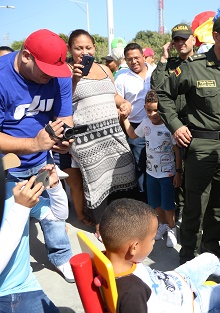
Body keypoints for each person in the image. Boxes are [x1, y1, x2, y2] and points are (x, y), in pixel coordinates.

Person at [157, 12, 220, 264]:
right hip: (201, 146)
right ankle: (188, 255)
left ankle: (211, 246)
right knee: (196, 204)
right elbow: (163, 96)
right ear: (216, 36)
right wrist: (176, 125)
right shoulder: (192, 67)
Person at [0, 29, 75, 283]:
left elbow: (64, 118)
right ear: (25, 56)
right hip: (8, 165)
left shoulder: (59, 74)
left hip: (43, 159)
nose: (51, 77)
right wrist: (33, 143)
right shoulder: (1, 77)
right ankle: (14, 277)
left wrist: (63, 140)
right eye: (45, 71)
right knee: (13, 222)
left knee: (54, 215)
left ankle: (62, 257)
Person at [66, 29, 136, 233]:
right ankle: (102, 228)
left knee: (124, 175)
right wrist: (75, 80)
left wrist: (124, 103)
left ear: (94, 48)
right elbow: (62, 103)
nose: (84, 52)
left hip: (114, 135)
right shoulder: (66, 71)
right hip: (88, 140)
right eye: (78, 48)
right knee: (97, 183)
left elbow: (113, 95)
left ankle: (122, 222)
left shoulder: (105, 69)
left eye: (88, 47)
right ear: (70, 49)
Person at [0, 158, 68, 313]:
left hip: (25, 287)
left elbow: (58, 215)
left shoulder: (13, 190)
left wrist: (55, 188)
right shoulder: (18, 201)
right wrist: (21, 208)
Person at [120, 90, 182, 248]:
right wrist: (125, 120)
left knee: (168, 205)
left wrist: (178, 172)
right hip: (151, 173)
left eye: (157, 110)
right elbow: (133, 135)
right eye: (149, 110)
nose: (153, 114)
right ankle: (163, 225)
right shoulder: (145, 123)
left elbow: (177, 150)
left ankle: (172, 228)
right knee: (155, 204)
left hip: (167, 173)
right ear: (144, 108)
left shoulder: (169, 126)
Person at [151, 23, 196, 221]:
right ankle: (178, 212)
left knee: (191, 173)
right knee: (174, 171)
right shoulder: (170, 65)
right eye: (176, 39)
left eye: (184, 38)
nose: (180, 43)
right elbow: (156, 87)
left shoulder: (201, 63)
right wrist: (163, 58)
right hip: (172, 124)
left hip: (195, 125)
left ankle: (190, 213)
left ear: (193, 39)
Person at [115, 43, 152, 202]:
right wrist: (124, 107)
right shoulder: (122, 78)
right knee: (141, 167)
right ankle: (145, 204)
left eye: (137, 58)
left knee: (162, 165)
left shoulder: (156, 71)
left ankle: (162, 204)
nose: (134, 62)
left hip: (157, 125)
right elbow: (116, 100)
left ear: (144, 57)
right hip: (135, 129)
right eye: (129, 59)